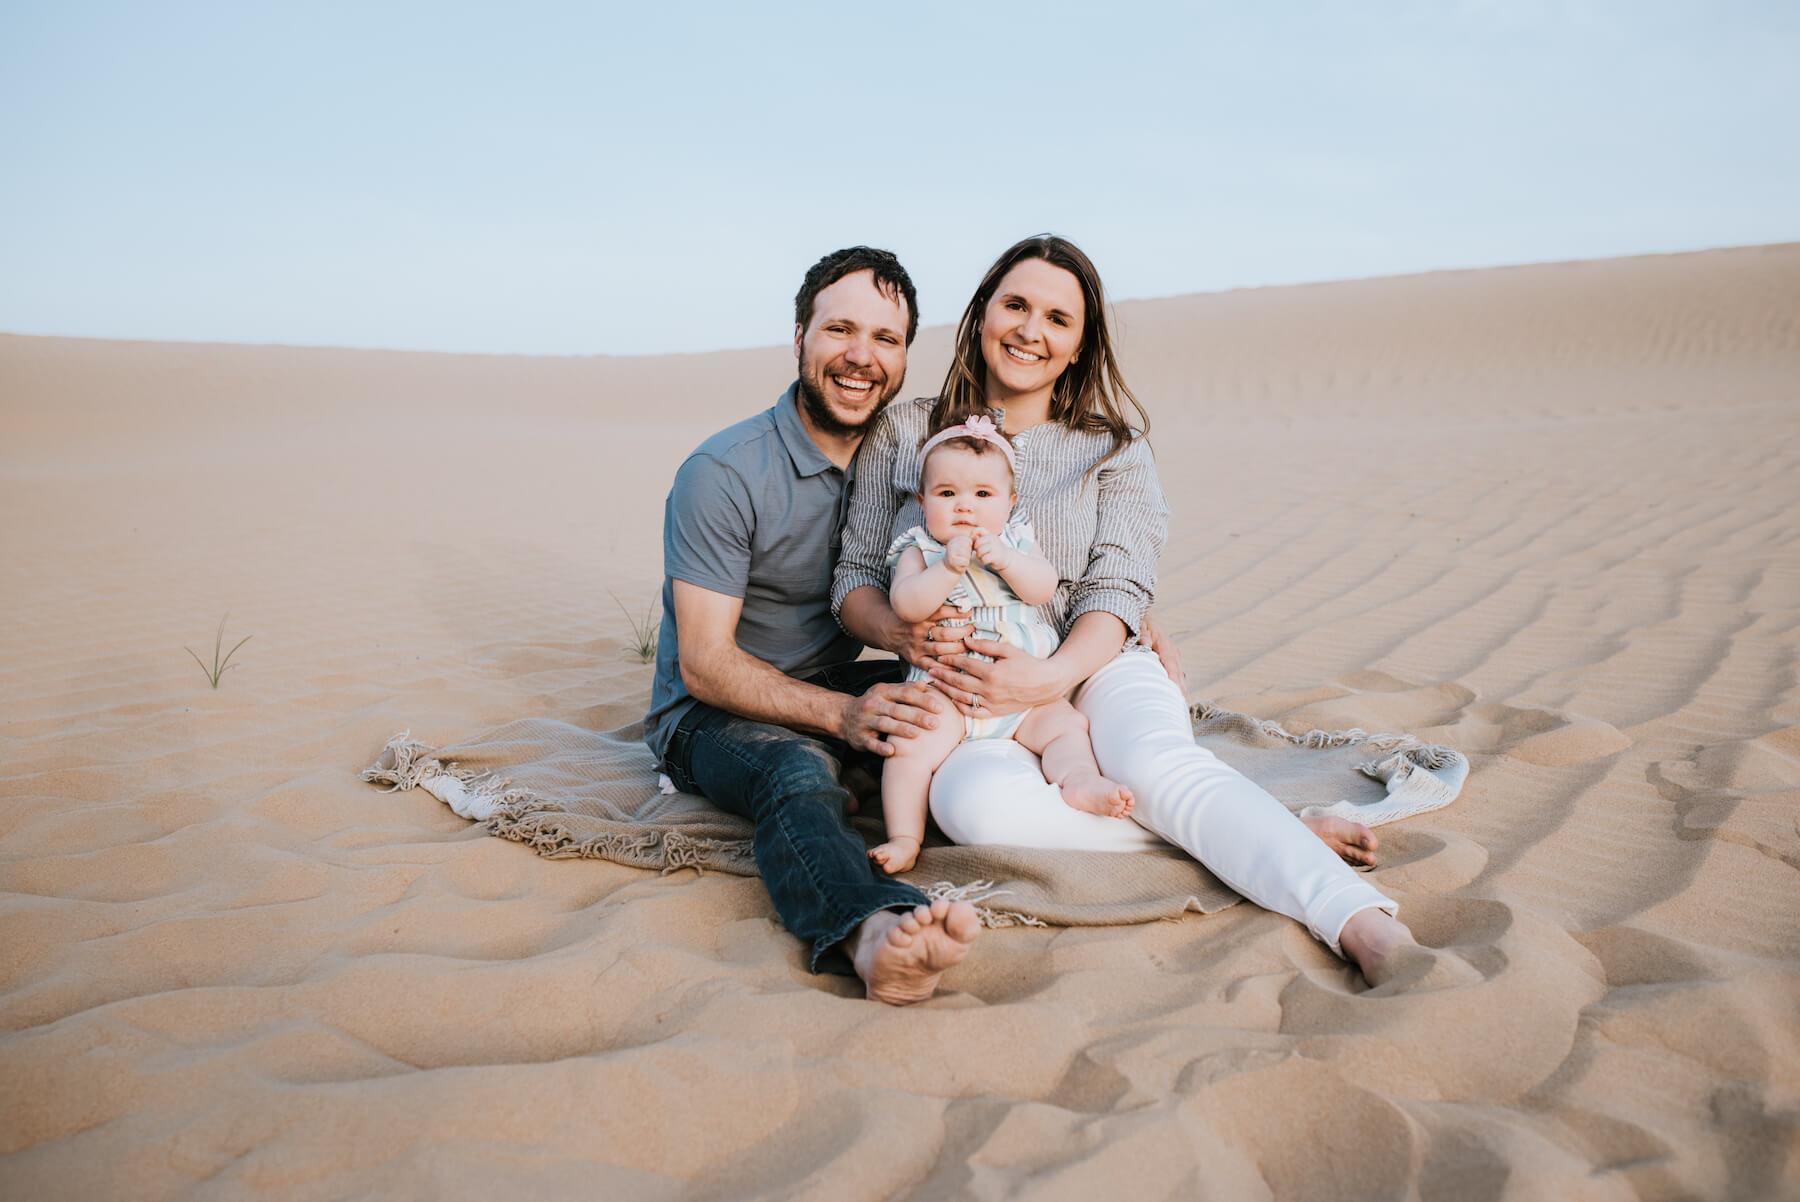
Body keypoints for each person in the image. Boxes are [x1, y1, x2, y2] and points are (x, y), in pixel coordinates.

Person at [834, 234, 1426, 984]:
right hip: (965, 689)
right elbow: (853, 577)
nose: (1030, 330)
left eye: (1057, 318)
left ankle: (1355, 917)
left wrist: (1046, 678)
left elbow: (1117, 590)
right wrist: (903, 635)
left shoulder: (1114, 449)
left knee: (1151, 765)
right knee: (973, 809)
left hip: (1094, 663)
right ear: (981, 315)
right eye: (1014, 305)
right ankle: (1262, 832)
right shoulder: (904, 431)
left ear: (1080, 346)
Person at [646, 246, 979, 1006]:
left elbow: (1004, 510)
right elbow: (702, 663)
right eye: (840, 331)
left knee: (969, 686)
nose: (861, 357)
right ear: (799, 337)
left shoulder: (905, 460)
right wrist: (843, 717)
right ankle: (870, 938)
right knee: (796, 770)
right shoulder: (724, 473)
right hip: (709, 714)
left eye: (886, 339)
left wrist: (1132, 611)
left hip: (831, 683)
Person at [868, 415, 1133, 875]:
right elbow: (906, 604)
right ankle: (905, 835)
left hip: (1025, 695)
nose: (964, 508)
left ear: (1010, 503)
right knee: (908, 747)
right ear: (922, 500)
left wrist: (1009, 561)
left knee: (1067, 728)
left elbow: (1043, 588)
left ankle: (1080, 782)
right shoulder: (919, 549)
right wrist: (946, 570)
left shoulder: (1017, 540)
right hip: (947, 693)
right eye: (947, 494)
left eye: (982, 495)